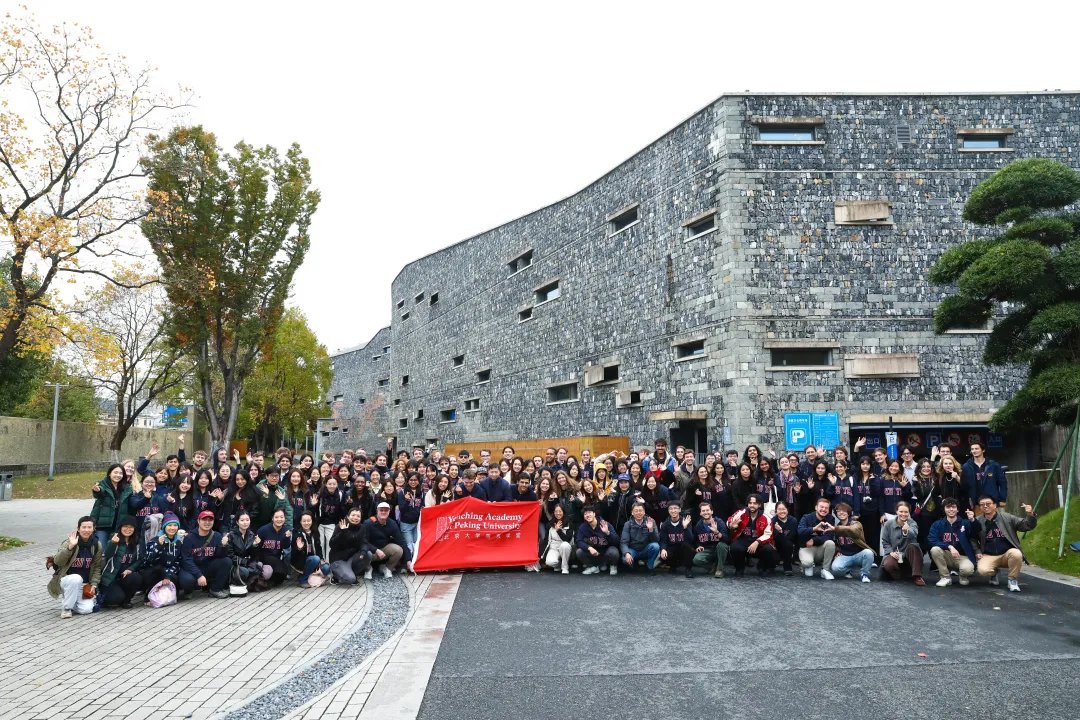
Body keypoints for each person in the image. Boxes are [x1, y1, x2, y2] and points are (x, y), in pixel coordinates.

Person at [968, 496, 1037, 592]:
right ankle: (994, 573)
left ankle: (1012, 580)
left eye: (988, 504)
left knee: (1016, 553)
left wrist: (1030, 514)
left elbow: (1027, 525)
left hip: (1006, 554)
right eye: (982, 504)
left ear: (995, 505)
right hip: (988, 555)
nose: (985, 506)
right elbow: (973, 538)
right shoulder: (977, 521)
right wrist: (977, 551)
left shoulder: (1007, 517)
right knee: (983, 570)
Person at [48, 516, 102, 618]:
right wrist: (70, 547)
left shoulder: (96, 545)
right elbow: (58, 561)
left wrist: (94, 584)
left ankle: (72, 601)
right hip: (67, 581)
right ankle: (67, 608)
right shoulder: (69, 542)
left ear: (93, 529)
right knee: (76, 578)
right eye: (84, 527)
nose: (86, 530)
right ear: (78, 528)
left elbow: (97, 567)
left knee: (86, 610)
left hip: (84, 585)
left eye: (89, 527)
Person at [179, 510, 231, 598]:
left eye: (210, 520)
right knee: (187, 581)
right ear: (198, 521)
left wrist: (223, 546)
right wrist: (199, 575)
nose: (207, 522)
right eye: (204, 519)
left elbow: (220, 556)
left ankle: (215, 589)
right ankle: (188, 590)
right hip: (192, 567)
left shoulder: (217, 536)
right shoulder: (189, 537)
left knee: (226, 561)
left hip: (207, 567)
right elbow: (186, 560)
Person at [928, 498, 976, 587]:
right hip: (946, 555)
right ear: (944, 509)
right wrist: (949, 546)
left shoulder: (965, 523)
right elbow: (932, 539)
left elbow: (976, 533)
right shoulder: (937, 524)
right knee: (935, 549)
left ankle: (963, 576)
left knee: (967, 570)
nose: (951, 509)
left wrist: (972, 520)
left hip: (962, 556)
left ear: (957, 509)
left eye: (953, 507)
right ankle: (945, 577)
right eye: (948, 507)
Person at [99, 516, 145, 608]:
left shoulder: (137, 542)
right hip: (111, 578)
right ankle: (106, 596)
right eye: (125, 526)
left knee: (136, 577)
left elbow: (140, 559)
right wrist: (113, 543)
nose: (128, 529)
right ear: (120, 527)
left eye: (131, 527)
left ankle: (127, 600)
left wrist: (130, 569)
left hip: (125, 576)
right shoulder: (114, 539)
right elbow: (107, 555)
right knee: (114, 599)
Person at [727, 495, 776, 576]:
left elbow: (768, 534)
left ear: (759, 505)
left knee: (768, 549)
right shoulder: (741, 512)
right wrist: (731, 525)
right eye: (750, 503)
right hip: (743, 541)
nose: (752, 505)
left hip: (758, 543)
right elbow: (730, 520)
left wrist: (757, 542)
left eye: (755, 503)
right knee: (734, 547)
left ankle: (762, 567)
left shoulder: (765, 517)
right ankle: (739, 568)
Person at [880, 502, 925, 586]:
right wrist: (890, 552)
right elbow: (885, 541)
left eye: (906, 512)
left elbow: (914, 534)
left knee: (914, 546)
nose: (903, 514)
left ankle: (917, 576)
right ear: (896, 511)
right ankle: (898, 575)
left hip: (908, 554)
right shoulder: (888, 524)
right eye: (901, 511)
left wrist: (906, 531)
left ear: (909, 513)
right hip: (895, 553)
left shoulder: (912, 523)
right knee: (888, 564)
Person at [90, 464, 132, 549]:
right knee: (101, 550)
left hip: (118, 526)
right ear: (109, 473)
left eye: (120, 473)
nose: (118, 475)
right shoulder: (102, 484)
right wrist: (97, 490)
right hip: (102, 526)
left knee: (113, 551)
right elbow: (100, 492)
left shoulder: (126, 488)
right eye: (115, 472)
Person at [830, 502, 874, 583]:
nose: (841, 513)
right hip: (846, 555)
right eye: (839, 511)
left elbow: (854, 530)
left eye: (844, 511)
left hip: (858, 554)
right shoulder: (836, 527)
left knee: (869, 553)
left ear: (848, 513)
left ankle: (864, 574)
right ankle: (849, 569)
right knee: (835, 567)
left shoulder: (856, 523)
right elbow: (837, 543)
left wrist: (838, 528)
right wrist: (838, 551)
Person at [329, 507, 374, 584]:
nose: (355, 518)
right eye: (353, 515)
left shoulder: (362, 528)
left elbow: (364, 542)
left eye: (358, 516)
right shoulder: (340, 526)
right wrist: (343, 533)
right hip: (339, 559)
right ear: (348, 516)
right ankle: (336, 575)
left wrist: (363, 552)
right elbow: (332, 544)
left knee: (368, 554)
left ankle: (350, 573)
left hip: (351, 558)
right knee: (350, 579)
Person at [363, 502, 408, 577]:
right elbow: (363, 542)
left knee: (398, 549)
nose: (383, 512)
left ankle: (387, 568)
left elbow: (402, 541)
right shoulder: (368, 523)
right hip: (371, 551)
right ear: (377, 511)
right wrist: (376, 550)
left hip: (383, 551)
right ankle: (368, 569)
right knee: (365, 552)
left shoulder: (392, 523)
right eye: (381, 510)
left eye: (386, 510)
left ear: (389, 511)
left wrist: (408, 560)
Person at [797, 498, 837, 579]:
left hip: (821, 547)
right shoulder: (806, 517)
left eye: (826, 508)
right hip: (807, 547)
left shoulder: (830, 519)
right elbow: (800, 531)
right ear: (816, 507)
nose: (824, 509)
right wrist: (813, 529)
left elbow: (829, 536)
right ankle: (808, 566)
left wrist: (814, 540)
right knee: (807, 563)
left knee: (831, 543)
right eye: (821, 507)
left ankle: (825, 570)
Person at [575, 506, 620, 575]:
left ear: (594, 514)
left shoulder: (605, 524)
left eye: (589, 513)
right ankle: (592, 567)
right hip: (593, 553)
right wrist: (589, 548)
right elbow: (578, 541)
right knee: (579, 551)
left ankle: (612, 565)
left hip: (606, 552)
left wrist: (607, 532)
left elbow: (617, 541)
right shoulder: (583, 527)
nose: (587, 515)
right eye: (585, 514)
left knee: (614, 552)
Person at [224, 510, 262, 590]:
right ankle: (247, 583)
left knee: (262, 567)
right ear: (237, 522)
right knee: (246, 571)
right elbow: (230, 556)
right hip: (236, 565)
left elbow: (254, 555)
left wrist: (255, 545)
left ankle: (248, 583)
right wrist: (245, 562)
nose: (245, 522)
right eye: (242, 520)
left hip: (248, 563)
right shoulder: (231, 535)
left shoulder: (251, 534)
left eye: (247, 520)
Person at [962, 442, 1007, 509]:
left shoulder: (993, 465)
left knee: (994, 516)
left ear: (983, 450)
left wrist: (1003, 499)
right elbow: (964, 486)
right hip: (976, 503)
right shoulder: (966, 466)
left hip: (992, 501)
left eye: (976, 448)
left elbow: (1003, 483)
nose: (974, 451)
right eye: (972, 449)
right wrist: (968, 501)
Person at [292, 511, 330, 587]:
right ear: (300, 522)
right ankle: (303, 579)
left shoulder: (315, 532)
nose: (306, 523)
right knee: (315, 559)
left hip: (314, 560)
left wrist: (321, 559)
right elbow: (294, 554)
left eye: (308, 521)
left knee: (326, 567)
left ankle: (311, 575)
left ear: (312, 521)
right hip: (302, 562)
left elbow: (318, 547)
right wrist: (299, 548)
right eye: (304, 521)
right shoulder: (297, 534)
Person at [620, 502, 661, 573]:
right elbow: (623, 542)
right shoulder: (628, 524)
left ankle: (649, 565)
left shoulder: (651, 521)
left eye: (640, 510)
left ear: (644, 512)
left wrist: (651, 529)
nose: (638, 513)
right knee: (625, 559)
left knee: (655, 546)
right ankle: (634, 563)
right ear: (632, 513)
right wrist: (626, 553)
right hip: (633, 549)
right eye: (636, 511)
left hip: (646, 548)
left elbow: (656, 540)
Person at [692, 502, 730, 578]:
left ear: (712, 511)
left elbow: (727, 539)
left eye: (707, 510)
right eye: (703, 511)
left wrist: (717, 532)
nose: (705, 512)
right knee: (696, 559)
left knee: (722, 545)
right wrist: (698, 546)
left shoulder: (719, 522)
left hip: (719, 548)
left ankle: (720, 570)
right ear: (700, 513)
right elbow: (696, 539)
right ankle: (712, 567)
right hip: (707, 549)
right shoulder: (699, 525)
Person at [255, 508, 292, 586]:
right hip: (263, 557)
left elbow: (286, 546)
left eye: (281, 517)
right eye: (276, 517)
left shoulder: (285, 530)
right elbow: (256, 548)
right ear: (272, 518)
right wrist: (258, 543)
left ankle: (269, 582)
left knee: (282, 574)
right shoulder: (263, 530)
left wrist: (286, 538)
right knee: (279, 569)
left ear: (285, 518)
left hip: (276, 558)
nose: (279, 519)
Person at [658, 500, 695, 578]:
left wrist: (685, 527)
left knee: (688, 547)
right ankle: (673, 566)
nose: (673, 510)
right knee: (665, 553)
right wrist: (663, 549)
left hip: (683, 547)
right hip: (672, 548)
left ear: (680, 510)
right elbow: (663, 540)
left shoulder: (686, 521)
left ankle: (688, 569)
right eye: (671, 509)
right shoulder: (665, 524)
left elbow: (691, 539)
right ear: (668, 511)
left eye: (675, 508)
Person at [396, 473, 424, 559]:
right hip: (406, 524)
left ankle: (415, 563)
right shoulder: (402, 492)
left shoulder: (421, 492)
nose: (413, 482)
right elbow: (402, 509)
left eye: (415, 480)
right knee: (409, 546)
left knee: (416, 545)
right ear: (407, 481)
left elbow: (422, 506)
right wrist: (407, 500)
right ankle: (408, 563)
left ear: (418, 481)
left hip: (417, 524)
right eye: (411, 480)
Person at [542, 504, 574, 574]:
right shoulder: (550, 524)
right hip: (554, 547)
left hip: (565, 546)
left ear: (563, 512)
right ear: (554, 512)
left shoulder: (569, 523)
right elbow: (546, 540)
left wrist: (558, 530)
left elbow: (567, 539)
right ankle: (559, 565)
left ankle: (565, 567)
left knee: (565, 545)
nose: (558, 513)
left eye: (560, 511)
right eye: (556, 511)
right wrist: (541, 554)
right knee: (549, 562)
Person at [771, 502, 799, 575]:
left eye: (784, 509)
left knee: (788, 544)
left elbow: (792, 537)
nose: (782, 511)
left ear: (787, 510)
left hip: (788, 547)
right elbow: (774, 538)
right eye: (779, 509)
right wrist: (778, 532)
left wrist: (781, 532)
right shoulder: (773, 521)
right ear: (776, 511)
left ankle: (787, 567)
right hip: (776, 547)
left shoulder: (793, 521)